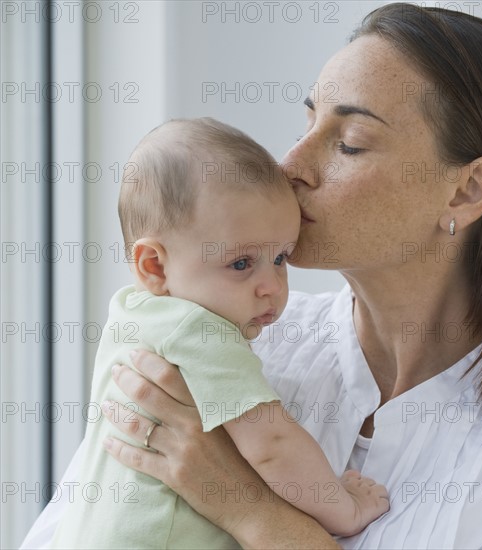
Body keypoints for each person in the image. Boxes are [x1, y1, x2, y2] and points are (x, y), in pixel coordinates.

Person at [22, 3, 482, 549]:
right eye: (307, 122)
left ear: (468, 190)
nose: (290, 163)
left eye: (349, 143)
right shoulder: (226, 330)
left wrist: (247, 506)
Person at [48, 118, 389, 549]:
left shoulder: (130, 314)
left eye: (281, 257)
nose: (272, 286)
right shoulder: (201, 332)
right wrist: (344, 506)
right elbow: (271, 445)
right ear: (154, 265)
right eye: (242, 264)